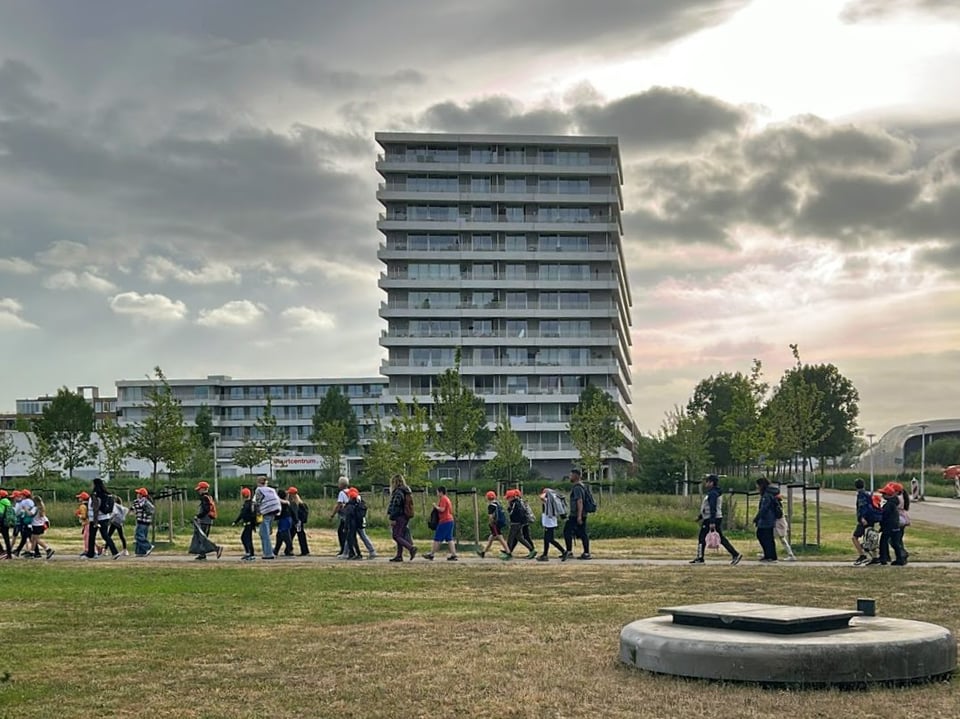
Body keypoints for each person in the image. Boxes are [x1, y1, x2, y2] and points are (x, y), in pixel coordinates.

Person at [690, 474, 742, 565]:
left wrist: (712, 521)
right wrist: (700, 517)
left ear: (711, 483)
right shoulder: (713, 492)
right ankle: (735, 554)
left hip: (711, 518)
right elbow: (707, 508)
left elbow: (712, 508)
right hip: (712, 517)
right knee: (720, 538)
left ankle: (700, 557)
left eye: (707, 482)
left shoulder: (713, 493)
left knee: (702, 537)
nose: (705, 484)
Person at [84, 479, 119, 559]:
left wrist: (95, 521)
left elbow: (95, 509)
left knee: (92, 536)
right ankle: (115, 552)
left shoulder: (95, 495)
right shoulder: (105, 494)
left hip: (96, 519)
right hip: (105, 518)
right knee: (105, 535)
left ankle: (90, 553)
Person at [387, 473, 417, 562]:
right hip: (405, 515)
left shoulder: (398, 492)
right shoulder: (406, 490)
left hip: (399, 516)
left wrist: (392, 517)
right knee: (400, 535)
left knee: (396, 536)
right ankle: (399, 555)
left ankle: (411, 548)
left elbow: (396, 505)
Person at [562, 469, 592, 561]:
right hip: (580, 514)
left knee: (568, 531)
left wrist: (579, 516)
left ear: (576, 476)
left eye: (571, 475)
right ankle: (585, 552)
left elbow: (580, 501)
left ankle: (571, 551)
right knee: (582, 533)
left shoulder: (578, 488)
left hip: (576, 515)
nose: (570, 477)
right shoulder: (582, 486)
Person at [876, 482, 907, 566]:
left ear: (888, 495)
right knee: (896, 543)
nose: (882, 495)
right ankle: (900, 558)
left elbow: (884, 515)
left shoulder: (889, 505)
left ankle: (884, 557)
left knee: (883, 541)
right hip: (895, 526)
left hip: (889, 526)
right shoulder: (894, 503)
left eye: (883, 494)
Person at [423, 486, 457, 561]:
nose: (437, 493)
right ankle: (454, 554)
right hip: (450, 520)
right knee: (449, 538)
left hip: (445, 521)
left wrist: (435, 506)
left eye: (437, 492)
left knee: (437, 538)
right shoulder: (447, 498)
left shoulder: (443, 499)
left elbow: (442, 509)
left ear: (441, 492)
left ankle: (431, 554)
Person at [852, 478, 881, 565]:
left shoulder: (861, 495)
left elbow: (862, 507)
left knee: (854, 537)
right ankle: (875, 557)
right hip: (871, 518)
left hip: (864, 519)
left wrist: (862, 518)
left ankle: (862, 555)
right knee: (870, 537)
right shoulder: (868, 494)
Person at [193, 480, 223, 561]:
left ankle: (217, 548)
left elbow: (206, 509)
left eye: (199, 489)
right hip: (207, 520)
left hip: (205, 521)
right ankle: (202, 554)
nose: (198, 491)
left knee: (203, 538)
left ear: (203, 489)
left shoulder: (204, 498)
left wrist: (198, 516)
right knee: (202, 538)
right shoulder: (209, 497)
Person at [537, 487, 568, 561]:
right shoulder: (552, 500)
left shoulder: (548, 500)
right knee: (547, 539)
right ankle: (545, 555)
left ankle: (563, 551)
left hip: (549, 523)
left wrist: (546, 492)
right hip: (550, 522)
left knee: (550, 539)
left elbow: (541, 497)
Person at [253, 476, 280, 560]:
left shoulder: (259, 489)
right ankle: (269, 550)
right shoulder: (271, 490)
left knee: (264, 533)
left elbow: (257, 502)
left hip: (265, 512)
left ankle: (268, 553)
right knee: (265, 532)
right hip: (274, 510)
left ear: (258, 482)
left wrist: (257, 515)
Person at [504, 489, 536, 559]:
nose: (507, 499)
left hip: (515, 523)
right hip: (519, 523)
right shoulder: (518, 502)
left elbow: (512, 513)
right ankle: (532, 550)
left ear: (512, 497)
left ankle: (508, 553)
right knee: (520, 538)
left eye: (508, 498)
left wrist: (509, 508)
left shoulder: (514, 504)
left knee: (510, 538)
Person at [478, 490, 510, 559]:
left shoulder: (491, 506)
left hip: (495, 524)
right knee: (491, 538)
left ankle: (508, 552)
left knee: (500, 537)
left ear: (487, 497)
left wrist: (491, 523)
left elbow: (491, 516)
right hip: (500, 522)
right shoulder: (497, 503)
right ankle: (483, 552)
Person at [753, 477, 778, 562]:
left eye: (757, 485)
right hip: (767, 519)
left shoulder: (766, 495)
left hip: (767, 519)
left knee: (764, 536)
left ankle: (770, 555)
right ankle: (769, 555)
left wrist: (757, 518)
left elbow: (764, 508)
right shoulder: (767, 494)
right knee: (766, 537)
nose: (756, 487)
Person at [771, 487, 796, 561]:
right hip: (780, 522)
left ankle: (790, 554)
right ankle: (790, 554)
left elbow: (778, 513)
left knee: (779, 538)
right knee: (775, 538)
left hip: (779, 523)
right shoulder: (778, 501)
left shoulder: (776, 502)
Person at [233, 487, 258, 561]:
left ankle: (250, 553)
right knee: (246, 538)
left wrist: (236, 521)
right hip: (250, 524)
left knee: (246, 538)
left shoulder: (247, 504)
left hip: (248, 524)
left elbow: (242, 514)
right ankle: (249, 553)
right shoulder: (251, 503)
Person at [131, 487, 155, 556]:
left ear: (141, 495)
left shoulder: (137, 501)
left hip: (141, 521)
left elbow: (133, 508)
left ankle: (148, 546)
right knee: (143, 536)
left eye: (138, 493)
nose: (137, 494)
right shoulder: (148, 501)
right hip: (147, 522)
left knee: (138, 536)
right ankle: (140, 552)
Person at [341, 487, 364, 559]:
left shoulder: (349, 506)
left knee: (350, 539)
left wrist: (345, 527)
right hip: (356, 523)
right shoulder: (358, 504)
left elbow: (348, 517)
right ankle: (357, 553)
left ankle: (353, 553)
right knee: (354, 539)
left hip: (351, 524)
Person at [331, 476, 350, 558]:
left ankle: (343, 549)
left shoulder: (342, 493)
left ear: (341, 485)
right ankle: (347, 549)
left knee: (341, 532)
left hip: (343, 516)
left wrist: (332, 514)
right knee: (346, 532)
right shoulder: (351, 492)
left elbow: (339, 504)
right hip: (350, 515)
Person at [287, 487, 310, 556]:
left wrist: (296, 521)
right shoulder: (301, 503)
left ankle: (289, 550)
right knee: (300, 535)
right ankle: (304, 550)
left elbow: (295, 513)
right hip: (300, 522)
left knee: (292, 535)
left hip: (297, 522)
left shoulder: (294, 504)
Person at [106, 494, 130, 558]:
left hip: (114, 522)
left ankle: (105, 549)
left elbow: (114, 513)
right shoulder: (122, 507)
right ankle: (125, 550)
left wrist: (110, 519)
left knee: (109, 535)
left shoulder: (115, 506)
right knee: (121, 536)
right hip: (120, 522)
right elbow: (126, 511)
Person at [274, 489, 295, 557]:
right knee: (280, 535)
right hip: (287, 519)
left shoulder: (282, 503)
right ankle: (276, 550)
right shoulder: (287, 503)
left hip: (284, 520)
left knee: (285, 535)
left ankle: (290, 549)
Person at [0, 489, 13, 559]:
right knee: (6, 539)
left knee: (6, 538)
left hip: (2, 523)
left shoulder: (1, 502)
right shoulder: (8, 502)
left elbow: (1, 514)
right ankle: (9, 554)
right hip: (7, 522)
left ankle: (2, 551)